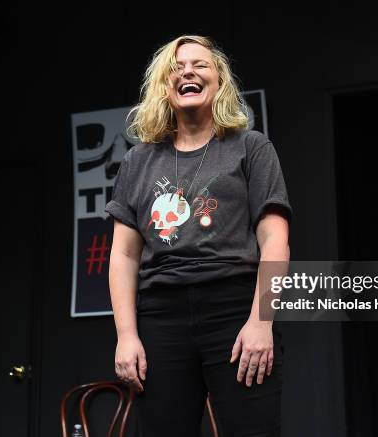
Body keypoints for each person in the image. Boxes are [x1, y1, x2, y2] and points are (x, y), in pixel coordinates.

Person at [105, 35, 292, 437]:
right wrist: (126, 336)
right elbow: (123, 255)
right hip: (161, 316)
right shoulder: (138, 160)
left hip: (234, 310)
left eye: (200, 65)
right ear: (163, 86)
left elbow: (275, 240)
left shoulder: (251, 148)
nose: (187, 71)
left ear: (220, 81)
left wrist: (261, 321)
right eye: (176, 67)